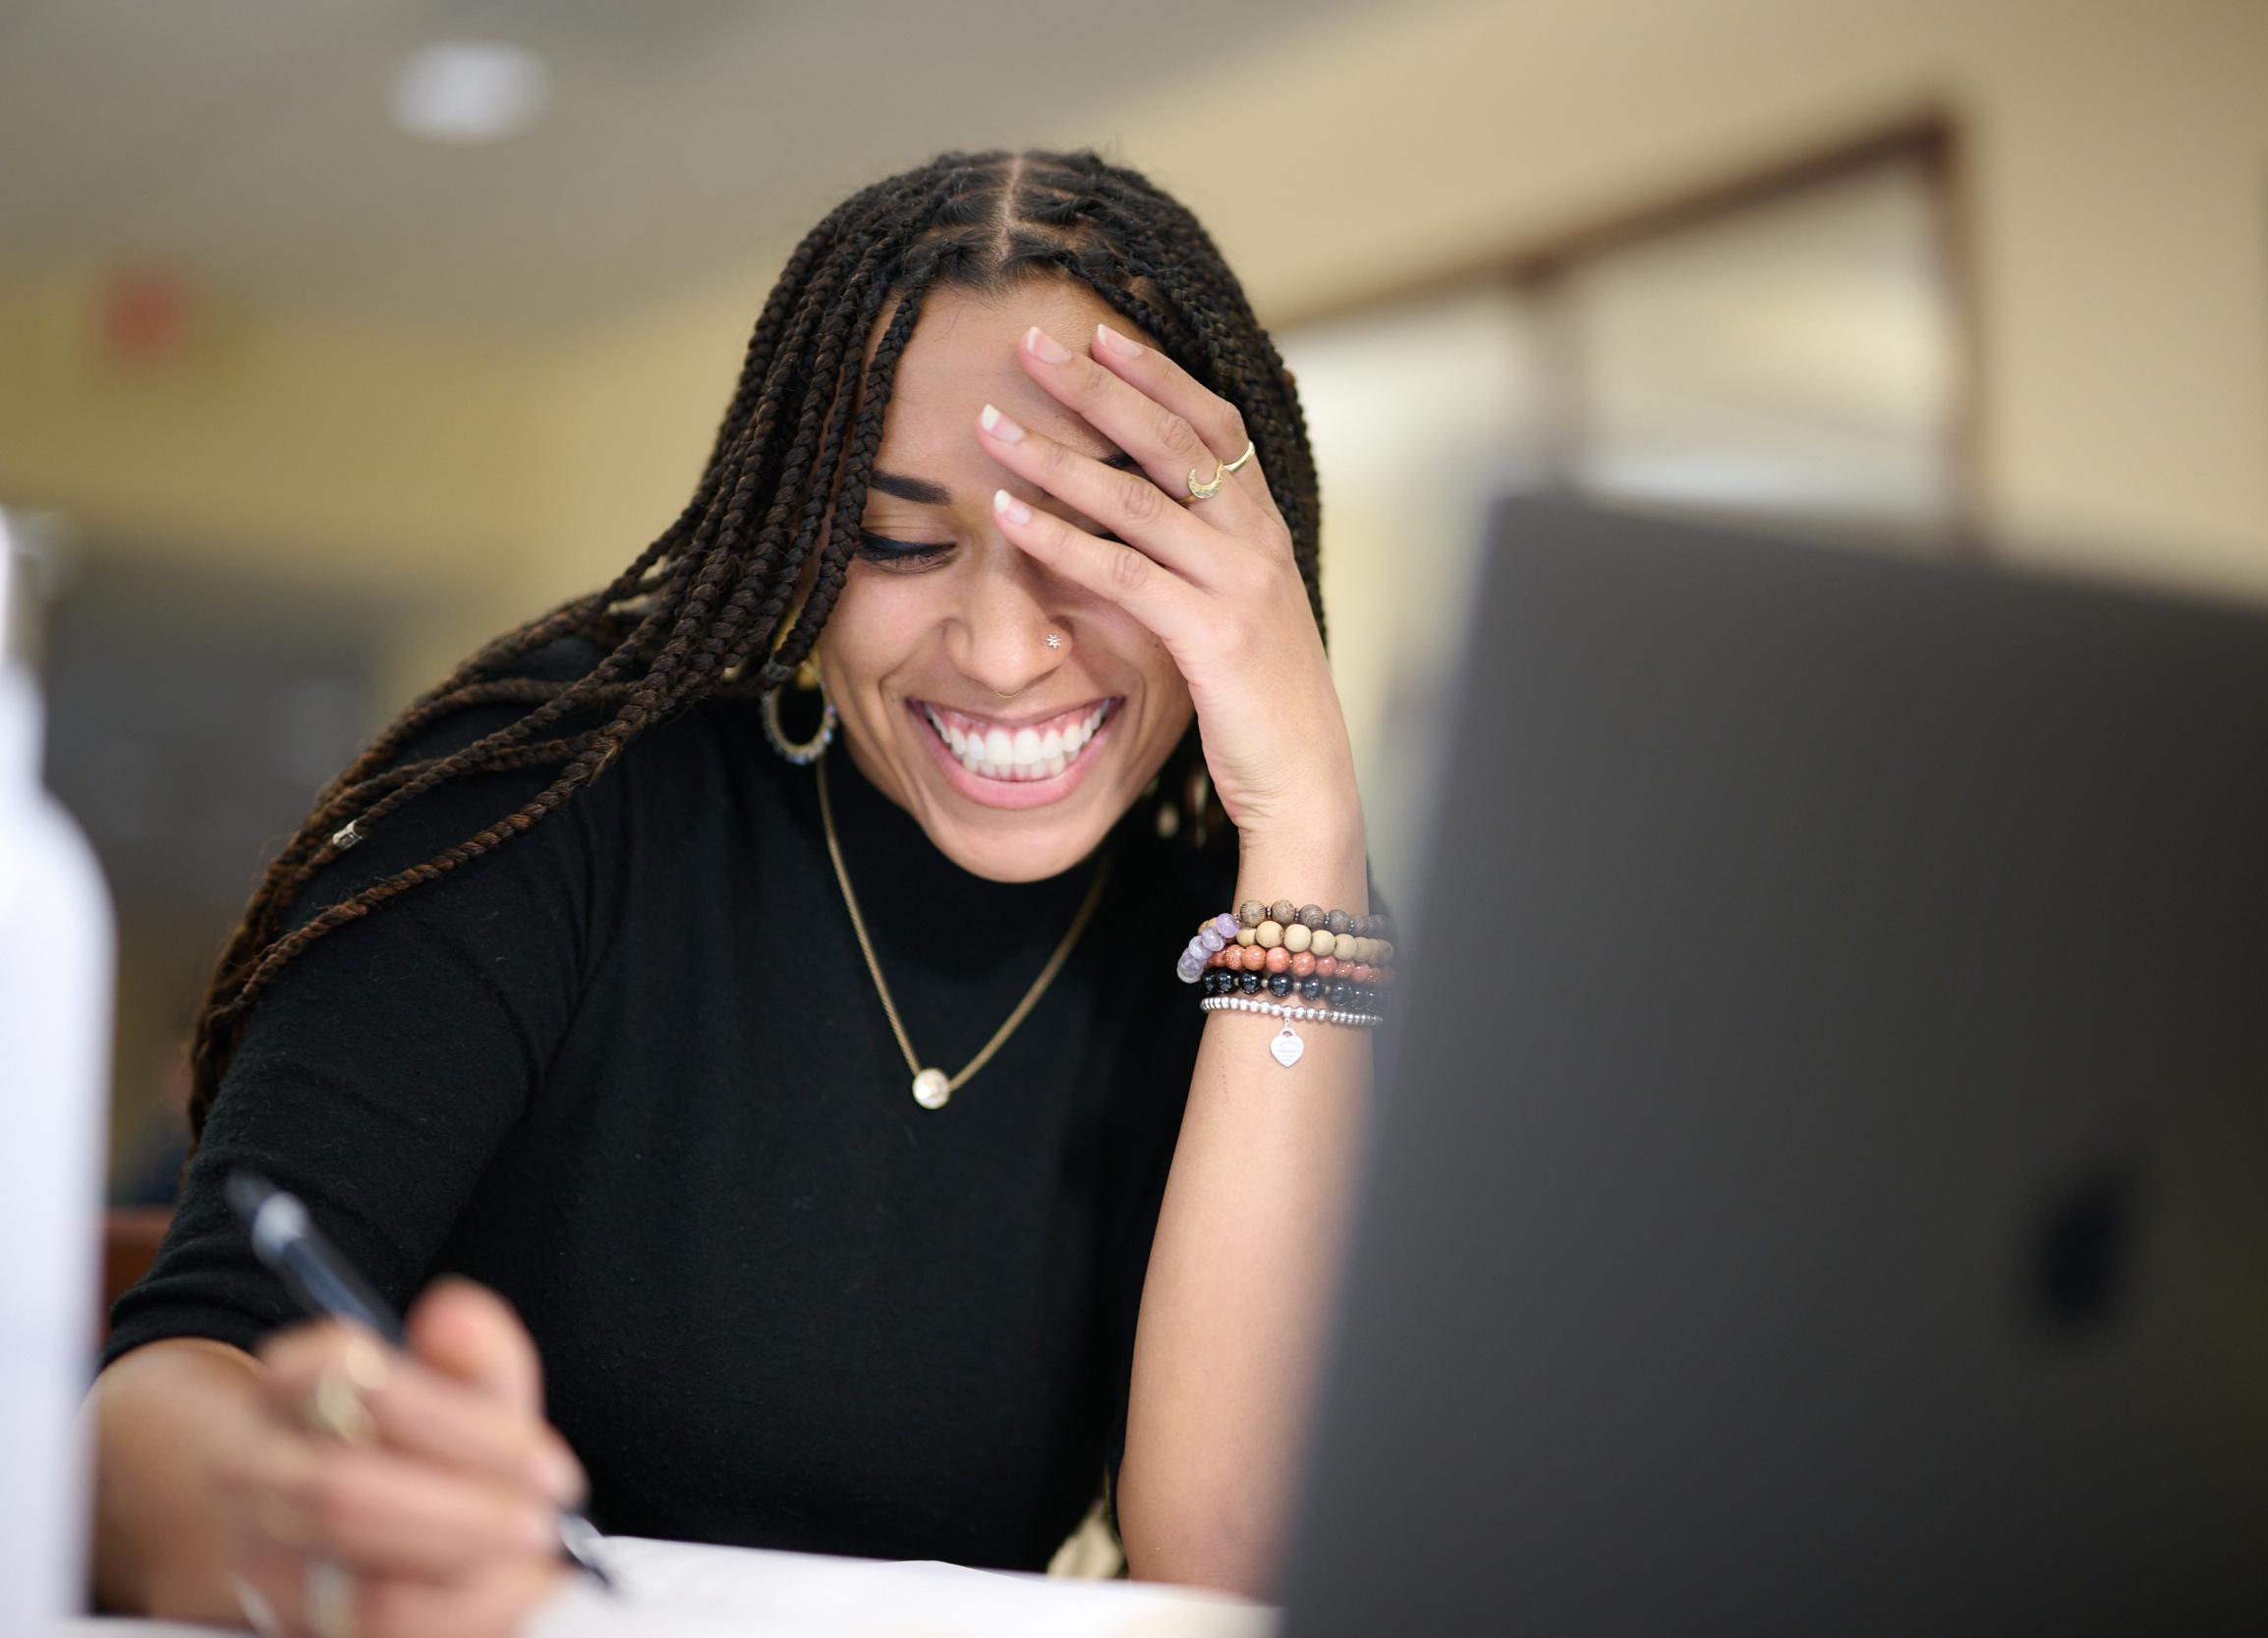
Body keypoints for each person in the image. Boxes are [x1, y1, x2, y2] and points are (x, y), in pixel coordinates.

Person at [84, 146, 1392, 1637]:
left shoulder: (1258, 923)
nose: (1002, 650)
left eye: (1096, 542)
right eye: (900, 541)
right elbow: (158, 1400)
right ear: (799, 535)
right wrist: (307, 1534)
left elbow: (1231, 1566)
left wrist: (1310, 817)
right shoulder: (558, 787)